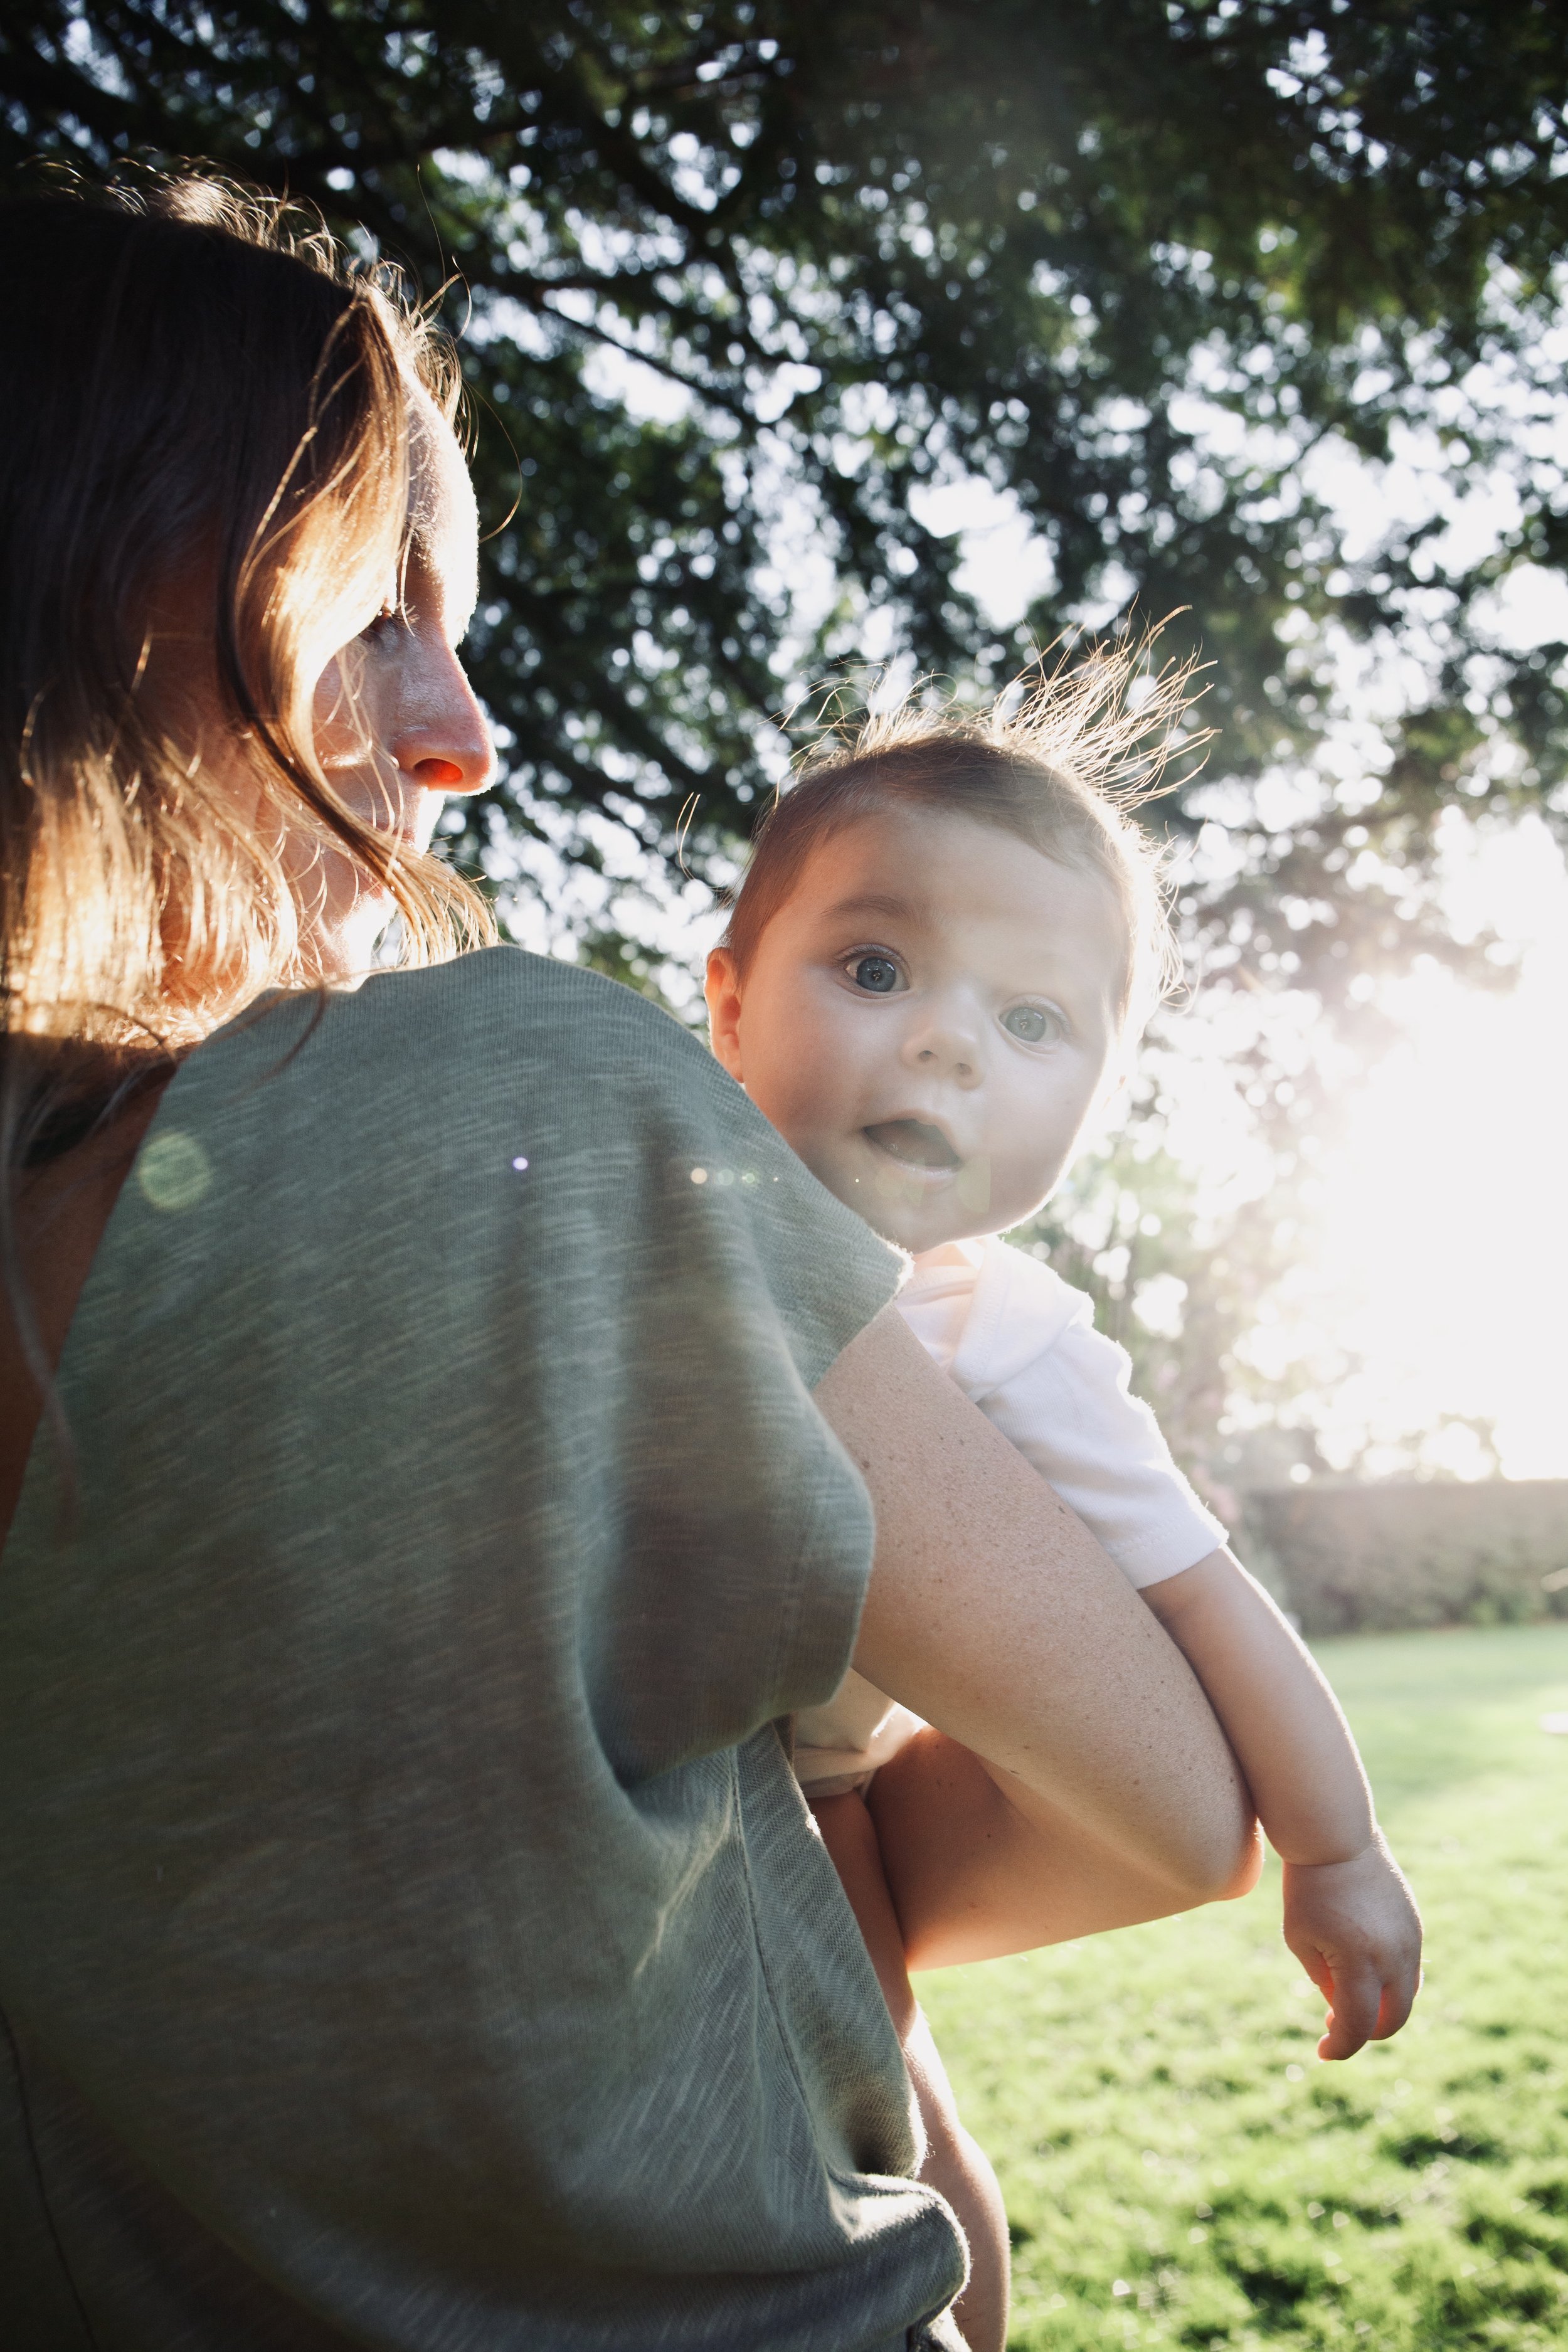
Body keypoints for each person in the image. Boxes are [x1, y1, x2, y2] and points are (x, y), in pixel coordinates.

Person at [0, 169, 1258, 2351]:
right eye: (386, 607)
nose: (464, 731)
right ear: (102, 553)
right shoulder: (517, 1107)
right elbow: (1170, 1808)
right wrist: (795, 1854)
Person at [704, 670, 1426, 2346]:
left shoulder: (990, 1329)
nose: (948, 1038)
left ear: (1095, 1105)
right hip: (597, 1770)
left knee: (881, 2113)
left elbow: (1196, 1591)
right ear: (729, 1005)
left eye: (1033, 1023)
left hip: (810, 1790)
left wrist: (1337, 1851)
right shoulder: (622, 1219)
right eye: (874, 969)